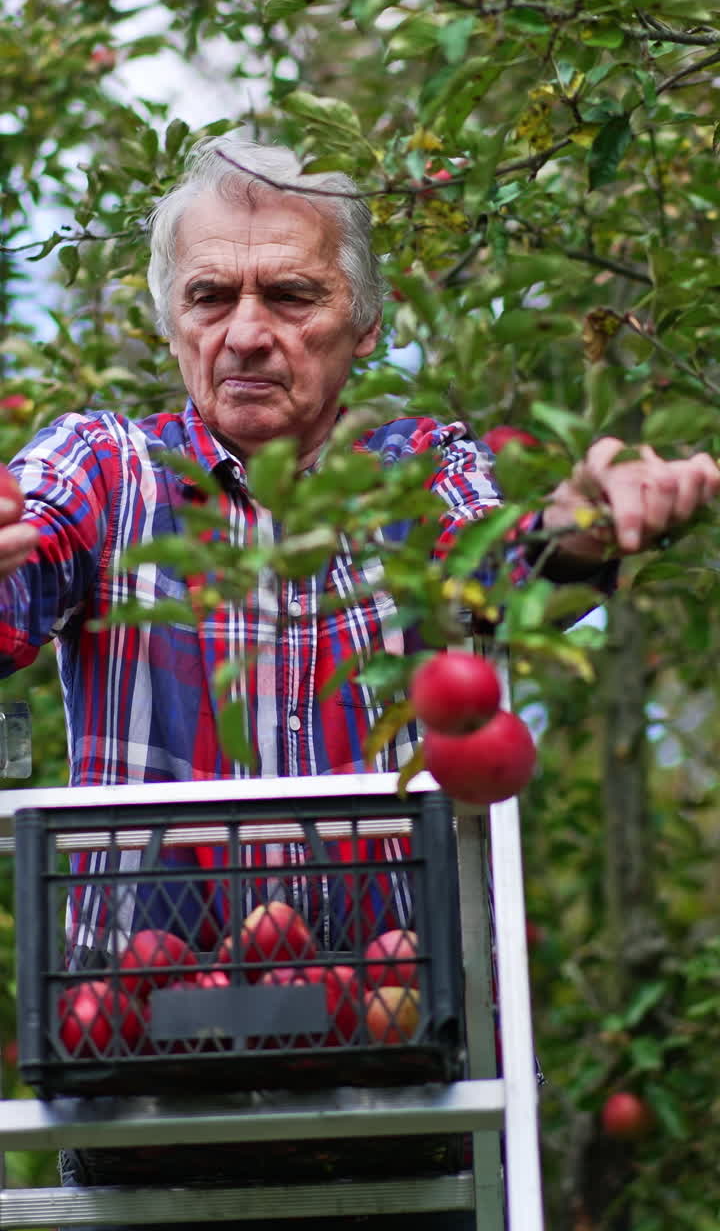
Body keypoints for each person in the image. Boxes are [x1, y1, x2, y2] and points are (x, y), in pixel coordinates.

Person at [1, 134, 718, 1231]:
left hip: (395, 1053)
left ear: (364, 326)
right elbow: (27, 549)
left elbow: (499, 563)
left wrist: (578, 531)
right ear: (168, 321)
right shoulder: (104, 469)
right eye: (210, 295)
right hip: (134, 1061)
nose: (246, 331)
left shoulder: (419, 469)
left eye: (292, 294)